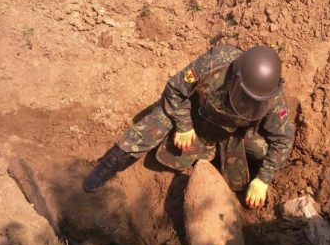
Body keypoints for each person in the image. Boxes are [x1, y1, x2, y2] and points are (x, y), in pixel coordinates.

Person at [82, 45, 295, 209]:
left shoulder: (273, 99)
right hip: (196, 116)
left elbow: (283, 139)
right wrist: (184, 126)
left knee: (261, 149)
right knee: (160, 118)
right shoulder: (214, 64)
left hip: (231, 135)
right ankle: (108, 165)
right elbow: (175, 90)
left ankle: (227, 165)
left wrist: (263, 179)